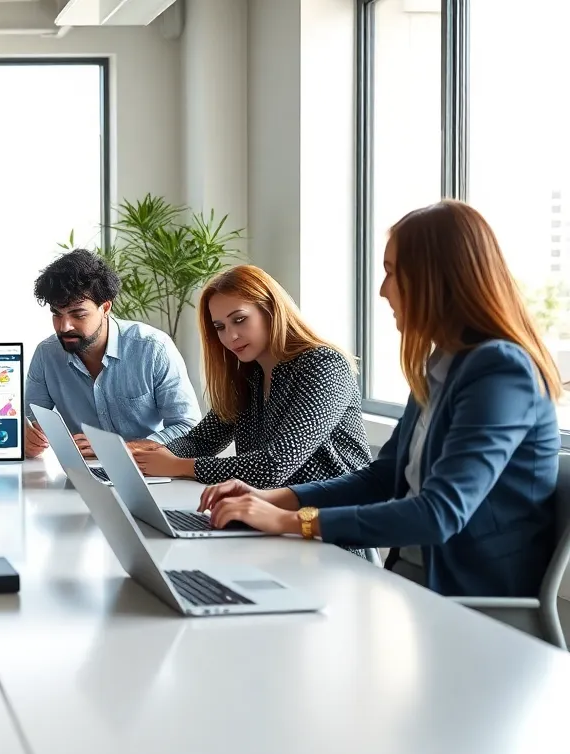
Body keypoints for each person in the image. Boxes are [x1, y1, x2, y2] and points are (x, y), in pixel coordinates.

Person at [203, 200, 563, 597]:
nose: (382, 290)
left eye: (392, 273)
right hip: (411, 582)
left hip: (466, 603)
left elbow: (439, 513)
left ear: (434, 278)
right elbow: (384, 477)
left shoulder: (500, 370)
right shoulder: (443, 365)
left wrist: (291, 521)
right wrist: (272, 499)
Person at [131, 264, 371, 487]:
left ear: (271, 311)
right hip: (275, 512)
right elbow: (201, 441)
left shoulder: (324, 365)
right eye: (220, 327)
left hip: (338, 518)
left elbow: (275, 464)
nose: (230, 336)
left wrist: (178, 466)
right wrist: (142, 454)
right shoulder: (246, 376)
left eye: (240, 320)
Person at [24, 249, 201, 460]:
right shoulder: (47, 355)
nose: (65, 326)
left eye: (78, 314)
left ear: (105, 307)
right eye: (56, 314)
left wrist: (121, 449)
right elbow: (29, 421)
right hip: (84, 475)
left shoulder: (153, 348)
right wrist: (27, 439)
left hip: (151, 472)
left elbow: (188, 427)